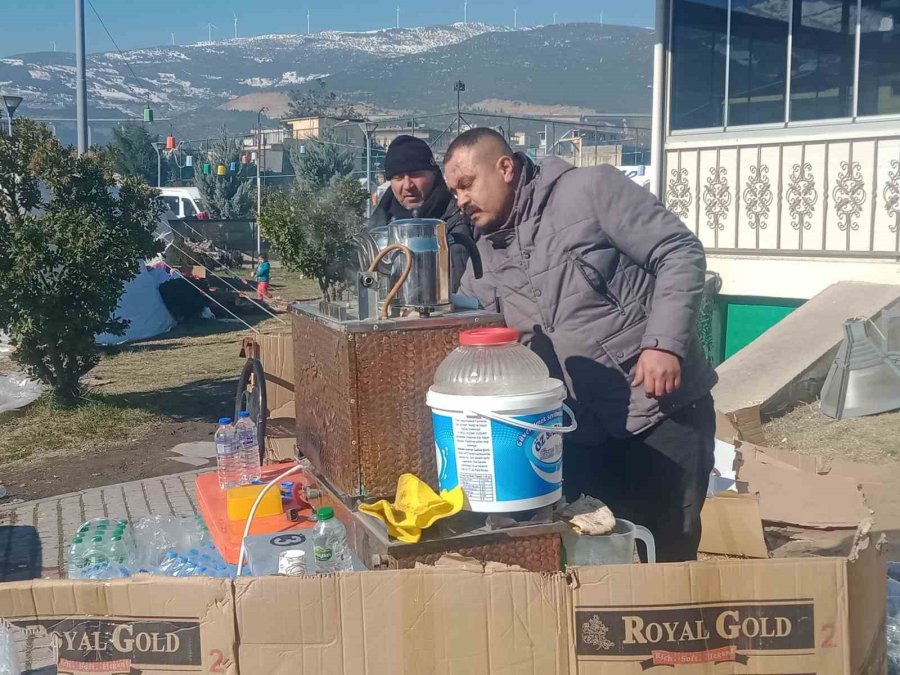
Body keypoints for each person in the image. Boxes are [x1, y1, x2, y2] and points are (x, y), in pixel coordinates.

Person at [443, 128, 718, 562]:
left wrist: (664, 344)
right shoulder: (482, 258)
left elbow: (679, 251)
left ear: (506, 168)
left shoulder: (590, 190)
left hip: (660, 411)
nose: (460, 199)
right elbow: (472, 331)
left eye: (465, 184)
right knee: (596, 555)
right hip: (579, 433)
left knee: (665, 552)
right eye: (453, 191)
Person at [368, 135, 474, 292]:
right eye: (398, 177)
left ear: (433, 174)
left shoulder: (458, 221)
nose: (407, 185)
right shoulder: (378, 225)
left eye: (416, 175)